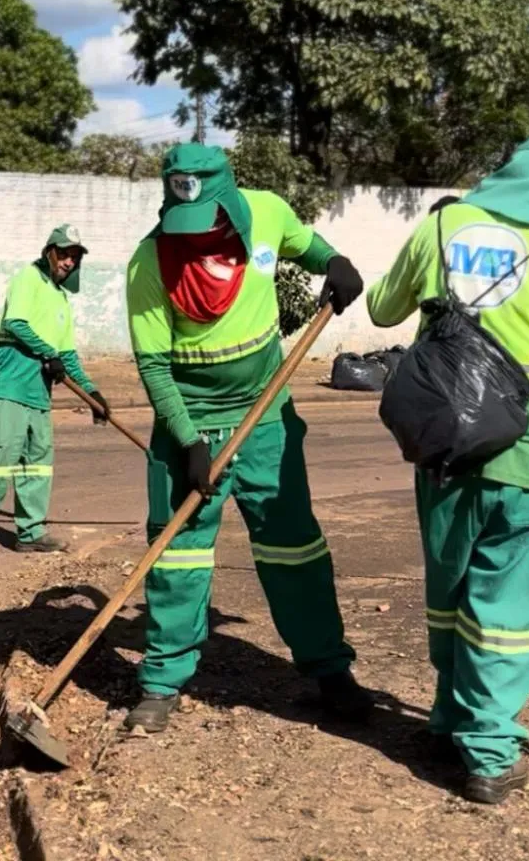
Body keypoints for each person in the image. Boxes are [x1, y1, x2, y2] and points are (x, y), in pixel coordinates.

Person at [123, 143, 371, 733]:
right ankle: (161, 680)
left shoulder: (265, 212)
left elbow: (307, 247)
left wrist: (334, 262)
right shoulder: (148, 263)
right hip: (190, 417)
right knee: (177, 552)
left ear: (230, 202)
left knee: (294, 546)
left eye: (207, 221)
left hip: (265, 414)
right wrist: (188, 440)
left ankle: (329, 670)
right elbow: (155, 368)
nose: (195, 236)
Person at [366, 129, 529, 804]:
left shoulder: (445, 223)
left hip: (444, 449)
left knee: (450, 587)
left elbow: (380, 308)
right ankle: (489, 751)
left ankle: (449, 718)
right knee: (507, 607)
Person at [0, 225, 110, 560]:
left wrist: (92, 394)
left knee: (36, 465)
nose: (69, 261)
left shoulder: (61, 300)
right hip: (9, 388)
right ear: (50, 252)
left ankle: (31, 533)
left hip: (38, 396)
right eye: (65, 253)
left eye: (75, 256)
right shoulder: (28, 278)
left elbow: (67, 355)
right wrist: (47, 353)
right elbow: (16, 323)